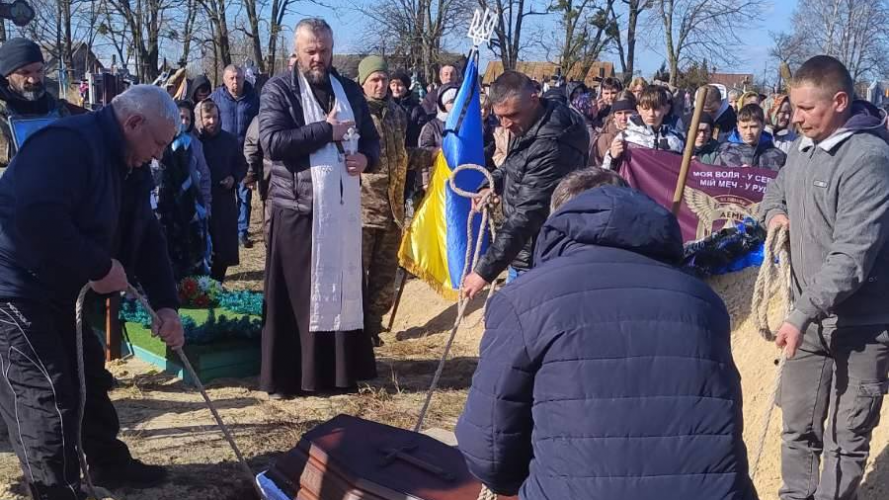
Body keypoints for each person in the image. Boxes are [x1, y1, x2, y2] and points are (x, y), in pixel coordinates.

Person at [456, 169, 756, 500]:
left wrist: (520, 482)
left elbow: (488, 446)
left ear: (558, 219)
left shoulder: (525, 298)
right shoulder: (703, 300)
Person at [0, 85, 185, 499]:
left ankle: (106, 464)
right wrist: (98, 267)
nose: (159, 154)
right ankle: (54, 489)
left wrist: (167, 305)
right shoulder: (67, 145)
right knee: (44, 390)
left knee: (87, 376)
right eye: (158, 143)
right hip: (13, 285)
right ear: (133, 123)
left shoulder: (130, 165)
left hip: (58, 289)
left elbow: (147, 236)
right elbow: (35, 216)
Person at [759, 55, 889, 500]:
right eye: (793, 108)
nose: (795, 119)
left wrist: (798, 313)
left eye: (806, 109)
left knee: (846, 439)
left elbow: (851, 256)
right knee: (797, 426)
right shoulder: (802, 147)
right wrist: (775, 214)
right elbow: (773, 192)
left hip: (863, 323)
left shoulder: (869, 158)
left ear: (838, 101)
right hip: (809, 320)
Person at [258, 17, 380, 398]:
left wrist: (367, 160)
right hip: (298, 207)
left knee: (341, 289)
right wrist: (325, 132)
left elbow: (371, 140)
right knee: (299, 297)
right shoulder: (278, 89)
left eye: (324, 51)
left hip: (341, 209)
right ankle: (291, 378)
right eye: (311, 51)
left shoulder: (346, 89)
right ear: (296, 51)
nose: (318, 58)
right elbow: (273, 142)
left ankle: (339, 374)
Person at [461, 70, 589, 298]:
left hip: (543, 252)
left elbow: (528, 213)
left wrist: (484, 271)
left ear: (534, 98)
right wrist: (490, 185)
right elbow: (513, 163)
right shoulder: (531, 121)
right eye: (499, 116)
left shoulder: (554, 142)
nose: (506, 124)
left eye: (512, 115)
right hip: (523, 248)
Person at [357, 56, 430, 346]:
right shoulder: (354, 113)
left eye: (384, 79)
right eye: (374, 79)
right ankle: (353, 330)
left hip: (393, 210)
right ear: (363, 82)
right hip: (362, 209)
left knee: (385, 275)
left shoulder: (398, 114)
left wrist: (432, 155)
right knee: (357, 275)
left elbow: (401, 157)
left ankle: (372, 328)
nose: (380, 85)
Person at [151, 100, 213, 280]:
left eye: (187, 118)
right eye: (180, 117)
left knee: (192, 252)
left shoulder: (195, 144)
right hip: (165, 208)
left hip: (193, 208)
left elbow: (204, 177)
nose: (184, 121)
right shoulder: (160, 142)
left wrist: (206, 207)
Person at [0, 38, 71, 169]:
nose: (33, 79)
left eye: (39, 71)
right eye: (25, 73)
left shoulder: (57, 109)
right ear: (7, 75)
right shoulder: (2, 114)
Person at [210, 65, 260, 248]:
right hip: (223, 154)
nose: (235, 81)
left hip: (245, 154)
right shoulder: (216, 98)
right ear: (224, 80)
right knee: (224, 195)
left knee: (244, 194)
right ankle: (225, 228)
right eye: (231, 78)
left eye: (238, 77)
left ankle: (242, 232)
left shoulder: (253, 98)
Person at [196, 99, 246, 282]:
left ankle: (217, 284)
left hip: (224, 202)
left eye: (215, 117)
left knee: (222, 251)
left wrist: (233, 178)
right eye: (207, 117)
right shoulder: (195, 141)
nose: (212, 121)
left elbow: (242, 165)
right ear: (200, 118)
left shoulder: (229, 140)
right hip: (201, 203)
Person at [602, 85, 684, 170]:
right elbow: (606, 174)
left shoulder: (677, 140)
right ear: (639, 109)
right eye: (646, 109)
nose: (651, 114)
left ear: (666, 109)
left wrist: (691, 164)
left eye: (656, 109)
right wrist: (613, 157)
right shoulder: (625, 138)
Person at [714, 104, 786, 171]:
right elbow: (715, 181)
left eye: (754, 127)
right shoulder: (724, 154)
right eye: (744, 127)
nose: (749, 132)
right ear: (738, 126)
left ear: (763, 125)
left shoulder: (778, 157)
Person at [243, 115, 272, 244]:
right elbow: (251, 145)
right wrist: (250, 174)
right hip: (269, 175)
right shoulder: (262, 117)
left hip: (300, 177)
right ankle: (270, 246)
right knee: (270, 212)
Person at [593, 91, 635, 166]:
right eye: (619, 113)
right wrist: (612, 157)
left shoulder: (647, 133)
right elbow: (601, 173)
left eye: (628, 112)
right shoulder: (605, 139)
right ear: (613, 115)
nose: (623, 118)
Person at [418, 83, 458, 152]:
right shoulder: (432, 126)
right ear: (444, 104)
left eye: (457, 101)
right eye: (451, 102)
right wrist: (441, 150)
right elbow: (424, 150)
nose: (455, 105)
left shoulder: (467, 123)